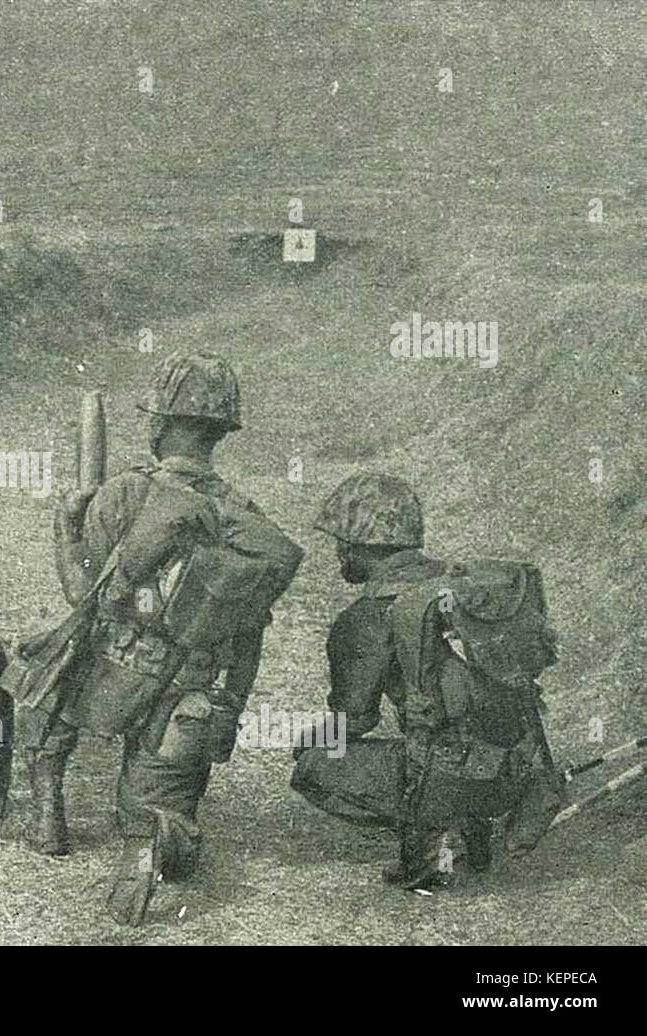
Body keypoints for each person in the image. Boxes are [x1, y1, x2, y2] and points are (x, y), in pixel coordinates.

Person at [34, 352, 301, 924]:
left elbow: (80, 596)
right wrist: (229, 710)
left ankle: (47, 799)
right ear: (220, 433)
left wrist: (65, 528)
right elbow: (248, 635)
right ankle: (151, 838)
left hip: (110, 674)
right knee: (159, 799)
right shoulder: (243, 517)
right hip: (191, 692)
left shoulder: (123, 494)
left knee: (50, 661)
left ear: (159, 423)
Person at [291, 472, 567, 887]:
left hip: (449, 781)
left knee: (315, 764)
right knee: (451, 732)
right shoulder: (462, 590)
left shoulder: (365, 618)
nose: (338, 554)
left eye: (341, 543)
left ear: (361, 544)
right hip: (517, 776)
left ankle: (428, 841)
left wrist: (309, 741)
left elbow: (354, 720)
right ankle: (471, 827)